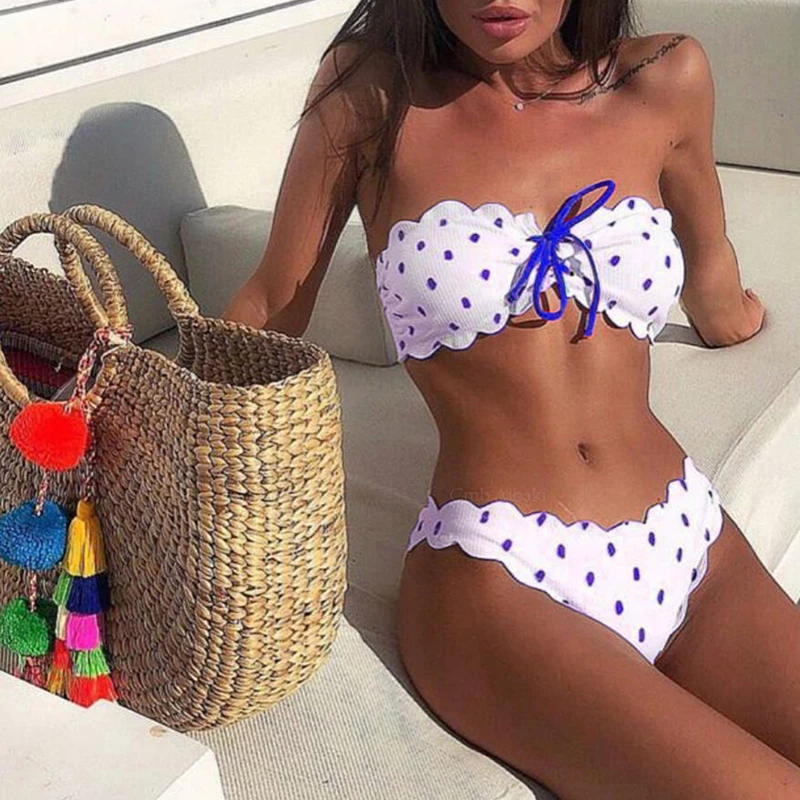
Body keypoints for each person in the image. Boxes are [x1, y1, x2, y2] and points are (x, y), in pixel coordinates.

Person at [223, 2, 800, 797]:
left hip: (689, 541)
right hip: (500, 579)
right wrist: (134, 428)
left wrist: (735, 318)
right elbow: (270, 304)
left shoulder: (665, 78)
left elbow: (712, 277)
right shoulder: (372, 95)